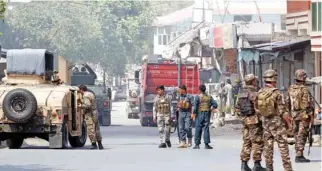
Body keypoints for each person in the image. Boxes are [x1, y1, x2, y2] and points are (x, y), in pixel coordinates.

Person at [257, 69, 293, 171]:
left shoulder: (260, 92)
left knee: (268, 147)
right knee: (283, 147)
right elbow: (283, 112)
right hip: (277, 123)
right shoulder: (277, 93)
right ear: (274, 80)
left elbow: (257, 108)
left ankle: (269, 168)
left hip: (265, 123)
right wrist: (289, 124)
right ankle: (288, 169)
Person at [235, 74, 265, 171]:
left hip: (245, 121)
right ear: (253, 81)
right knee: (257, 142)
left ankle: (244, 164)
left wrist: (243, 119)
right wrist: (262, 120)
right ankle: (257, 164)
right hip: (254, 121)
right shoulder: (255, 93)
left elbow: (237, 108)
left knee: (246, 142)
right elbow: (259, 109)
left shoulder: (241, 93)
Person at [287, 69, 314, 163]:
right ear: (303, 78)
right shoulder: (304, 89)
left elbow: (287, 102)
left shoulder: (291, 88)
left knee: (296, 135)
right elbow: (307, 104)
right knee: (302, 135)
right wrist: (311, 115)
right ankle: (299, 155)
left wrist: (289, 115)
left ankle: (298, 153)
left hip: (294, 115)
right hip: (303, 115)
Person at [192, 84, 218, 149]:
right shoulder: (209, 97)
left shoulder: (197, 97)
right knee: (206, 128)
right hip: (207, 114)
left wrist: (194, 114)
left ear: (199, 89)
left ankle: (197, 145)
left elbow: (195, 108)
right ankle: (206, 145)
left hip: (199, 114)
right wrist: (211, 109)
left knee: (198, 128)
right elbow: (215, 104)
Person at [78, 85, 104, 150]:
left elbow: (87, 105)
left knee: (90, 128)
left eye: (79, 90)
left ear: (81, 89)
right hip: (95, 112)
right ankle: (100, 144)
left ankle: (94, 144)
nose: (79, 92)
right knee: (96, 128)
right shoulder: (91, 94)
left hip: (90, 113)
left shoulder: (85, 95)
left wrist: (80, 106)